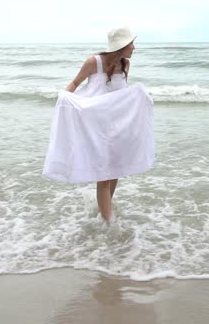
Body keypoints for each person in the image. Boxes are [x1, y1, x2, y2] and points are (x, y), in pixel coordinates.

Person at [42, 26, 155, 222]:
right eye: (131, 44)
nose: (134, 48)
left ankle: (104, 210)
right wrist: (64, 105)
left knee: (116, 170)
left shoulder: (125, 64)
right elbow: (75, 83)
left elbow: (121, 96)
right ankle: (109, 223)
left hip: (117, 127)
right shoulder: (94, 62)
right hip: (96, 127)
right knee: (104, 174)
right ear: (122, 46)